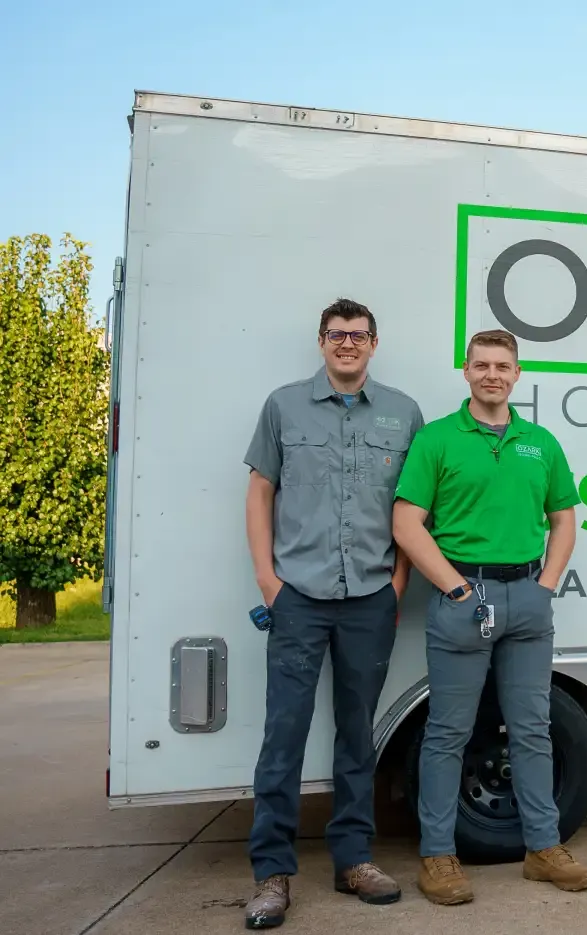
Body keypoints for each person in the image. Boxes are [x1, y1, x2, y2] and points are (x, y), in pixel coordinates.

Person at [392, 328, 587, 904]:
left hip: (527, 598)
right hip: (464, 596)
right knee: (448, 732)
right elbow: (407, 524)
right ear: (466, 371)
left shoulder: (540, 442)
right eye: (481, 365)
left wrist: (547, 584)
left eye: (502, 366)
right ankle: (438, 857)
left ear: (516, 373)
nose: (491, 375)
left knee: (532, 729)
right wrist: (455, 589)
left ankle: (543, 849)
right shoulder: (437, 440)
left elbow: (564, 517)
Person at [242, 298, 425, 929]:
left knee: (357, 735)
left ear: (375, 343)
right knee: (283, 737)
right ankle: (272, 874)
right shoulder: (283, 406)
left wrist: (398, 584)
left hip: (370, 599)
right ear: (321, 342)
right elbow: (260, 492)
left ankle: (355, 861)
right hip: (299, 599)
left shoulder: (404, 413)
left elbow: (413, 506)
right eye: (336, 334)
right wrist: (270, 582)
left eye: (358, 335)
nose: (347, 344)